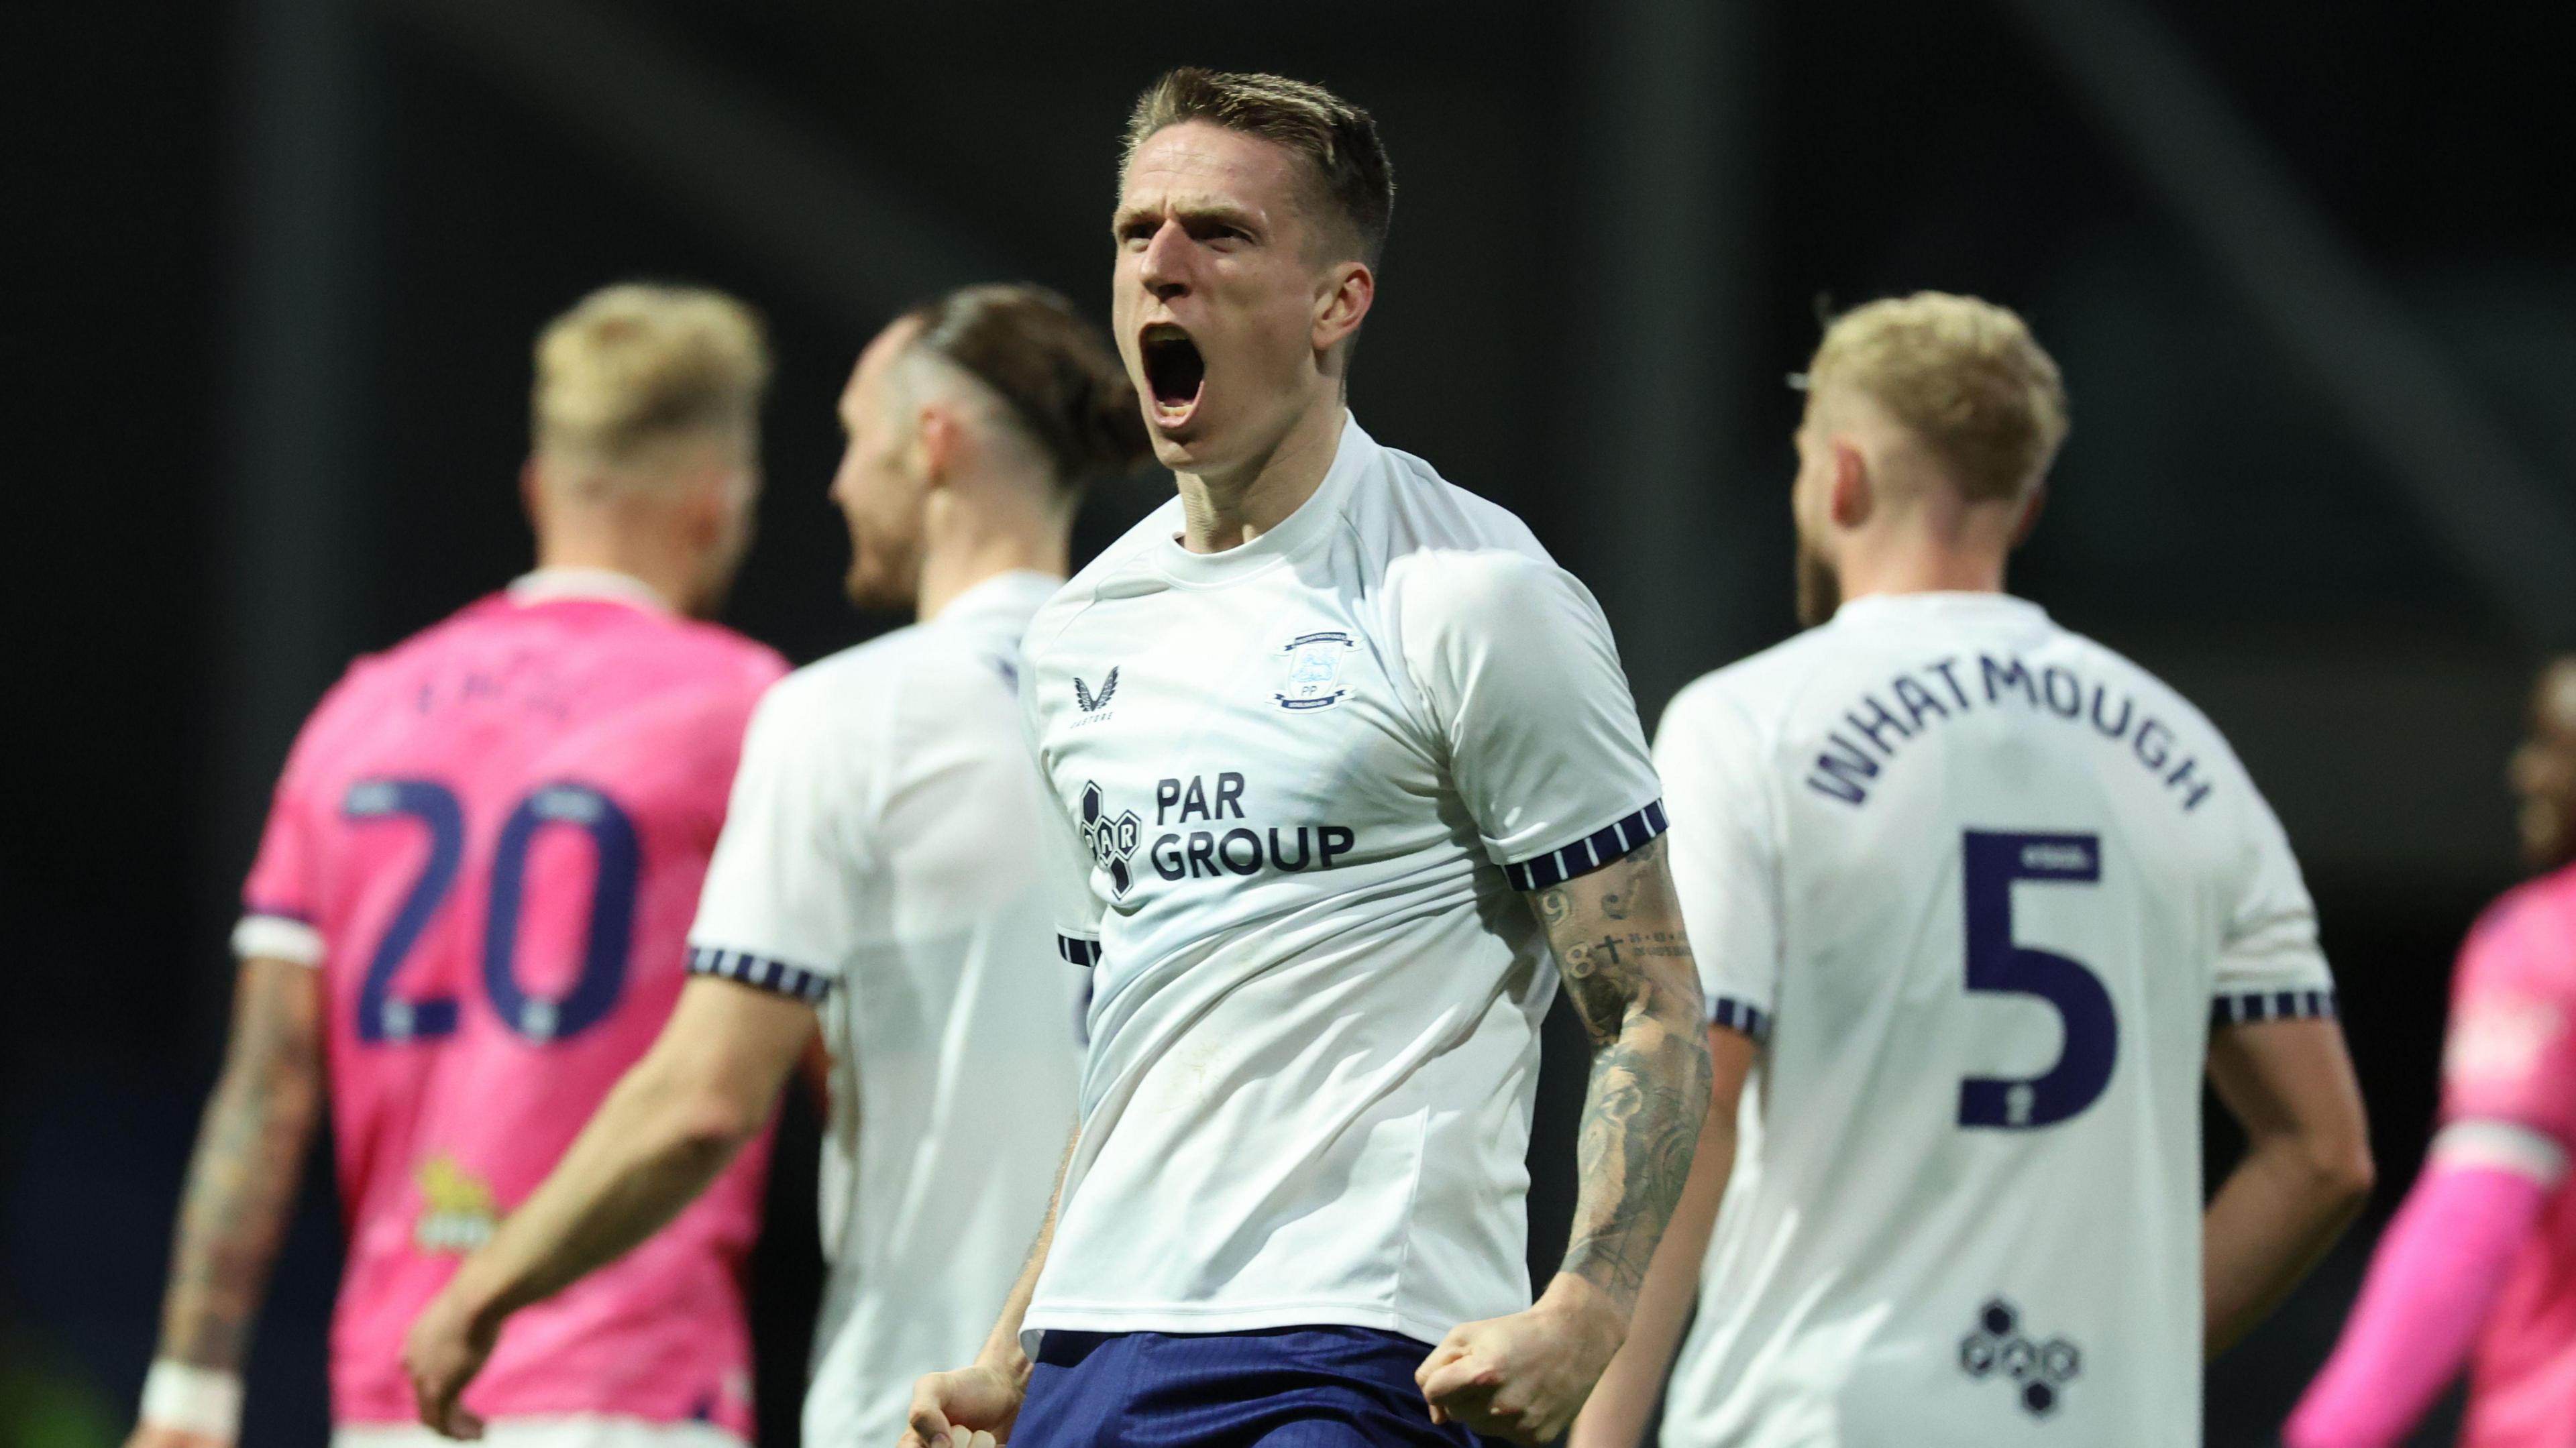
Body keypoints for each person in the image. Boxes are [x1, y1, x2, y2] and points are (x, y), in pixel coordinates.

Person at [904, 68, 1712, 1448]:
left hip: (1351, 1344)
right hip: (1098, 1345)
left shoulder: (1473, 593)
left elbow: (1653, 1002)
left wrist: (1587, 1305)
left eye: (1217, 233)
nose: (1161, 264)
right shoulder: (1079, 632)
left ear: (1338, 302)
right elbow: (1129, 1042)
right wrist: (1013, 1341)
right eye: (1134, 230)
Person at [1572, 292, 2376, 1448]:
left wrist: (1601, 1429)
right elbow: (2325, 1150)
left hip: (1825, 1415)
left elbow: (1695, 1090)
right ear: (2029, 501)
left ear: (1839, 477)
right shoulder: (2188, 754)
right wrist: (2127, 1362)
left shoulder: (1749, 725)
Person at [400, 283, 1150, 1447]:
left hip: (925, 1395)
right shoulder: (1174, 705)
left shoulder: (848, 713)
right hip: (1152, 1390)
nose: (839, 481)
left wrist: (480, 1289)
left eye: (856, 439)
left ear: (932, 445)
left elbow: (703, 1097)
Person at [127, 284, 788, 1448]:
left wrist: (189, 1389)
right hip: (633, 1379)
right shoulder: (751, 707)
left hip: (395, 1384)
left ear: (540, 487)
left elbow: (267, 1082)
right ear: (718, 498)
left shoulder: (358, 714)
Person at [2285, 659, 2576, 1447]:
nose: (2527, 774)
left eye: (2554, 746)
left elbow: (2474, 1214)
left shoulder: (2546, 941)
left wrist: (2334, 1430)